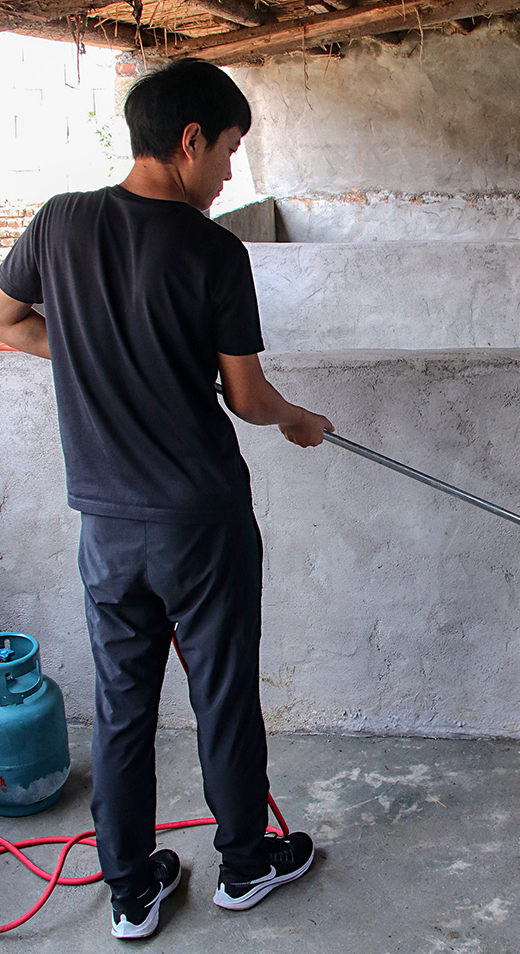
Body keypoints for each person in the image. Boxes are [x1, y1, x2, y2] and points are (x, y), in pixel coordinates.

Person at [0, 57, 333, 939]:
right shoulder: (214, 251)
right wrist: (298, 420)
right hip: (202, 522)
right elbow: (247, 396)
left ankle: (129, 891)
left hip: (107, 528)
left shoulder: (60, 223)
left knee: (121, 706)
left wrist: (81, 351)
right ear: (188, 141)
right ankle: (244, 864)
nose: (230, 173)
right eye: (228, 151)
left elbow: (5, 321)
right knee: (221, 692)